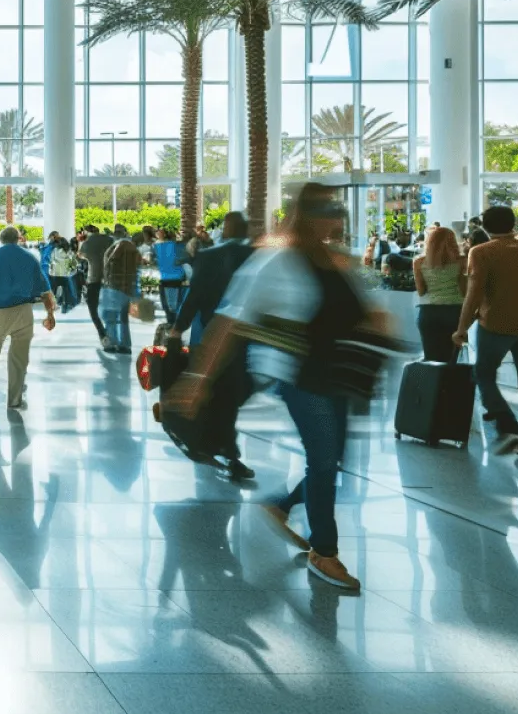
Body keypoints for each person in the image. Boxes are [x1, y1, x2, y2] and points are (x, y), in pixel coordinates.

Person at [170, 184, 381, 592]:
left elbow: (355, 313)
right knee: (323, 460)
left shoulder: (338, 260)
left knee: (331, 460)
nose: (336, 218)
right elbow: (227, 322)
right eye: (327, 210)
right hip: (301, 375)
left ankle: (280, 506)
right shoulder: (275, 261)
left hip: (339, 373)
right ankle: (325, 551)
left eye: (338, 210)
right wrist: (197, 379)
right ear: (306, 215)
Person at [454, 204, 518, 458]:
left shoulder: (481, 252)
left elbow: (473, 294)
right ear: (512, 223)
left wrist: (461, 328)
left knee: (483, 374)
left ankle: (506, 424)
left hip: (496, 324)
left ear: (485, 227)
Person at [171, 211, 258, 481]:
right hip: (245, 340)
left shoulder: (208, 257)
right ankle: (227, 450)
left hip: (211, 335)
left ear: (226, 229)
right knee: (231, 397)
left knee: (217, 393)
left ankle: (214, 444)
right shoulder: (256, 257)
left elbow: (194, 296)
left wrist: (177, 329)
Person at [0, 226, 58, 407]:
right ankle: (14, 399)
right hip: (23, 311)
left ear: (1, 240)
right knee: (19, 357)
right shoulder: (29, 258)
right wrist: (50, 315)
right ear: (18, 239)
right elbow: (45, 290)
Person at [413, 226, 466, 364]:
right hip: (455, 312)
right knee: (451, 358)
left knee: (431, 359)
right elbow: (463, 290)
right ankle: (451, 385)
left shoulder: (419, 262)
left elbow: (421, 291)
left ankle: (434, 385)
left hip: (429, 313)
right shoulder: (461, 261)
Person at [99, 226, 139, 354]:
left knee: (111, 316)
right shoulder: (133, 248)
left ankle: (111, 343)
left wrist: (108, 277)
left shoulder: (120, 244)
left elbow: (113, 259)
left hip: (115, 286)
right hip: (127, 286)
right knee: (123, 318)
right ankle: (125, 345)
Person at [80, 224, 115, 346]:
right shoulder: (109, 239)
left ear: (86, 232)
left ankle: (103, 335)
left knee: (93, 309)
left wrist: (81, 242)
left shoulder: (87, 242)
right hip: (110, 279)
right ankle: (112, 334)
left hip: (94, 279)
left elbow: (80, 256)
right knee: (110, 308)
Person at [153, 229, 189, 327]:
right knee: (176, 306)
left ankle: (171, 325)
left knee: (169, 308)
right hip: (179, 279)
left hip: (164, 279)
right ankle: (175, 326)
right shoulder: (180, 247)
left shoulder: (157, 247)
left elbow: (154, 261)